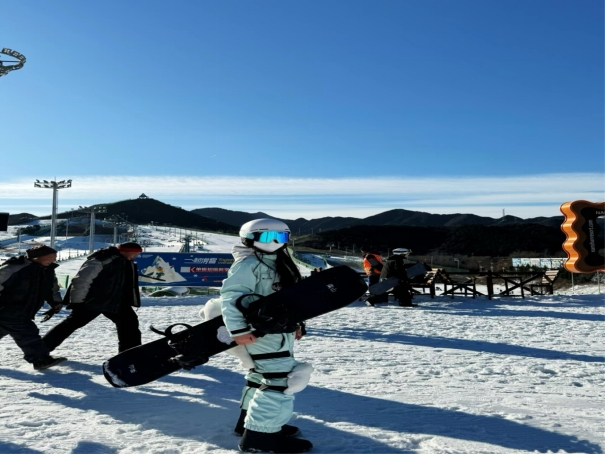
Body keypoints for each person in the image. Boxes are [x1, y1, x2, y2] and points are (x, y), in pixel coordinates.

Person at [221, 218, 313, 453]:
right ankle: (260, 437)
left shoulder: (280, 262)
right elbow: (231, 297)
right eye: (266, 236)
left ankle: (250, 425)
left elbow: (291, 300)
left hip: (279, 330)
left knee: (260, 375)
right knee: (279, 378)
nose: (273, 242)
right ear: (249, 238)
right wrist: (238, 330)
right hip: (259, 331)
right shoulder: (248, 263)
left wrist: (297, 324)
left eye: (280, 237)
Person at [43, 242, 143, 353]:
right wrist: (77, 302)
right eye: (135, 253)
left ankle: (129, 353)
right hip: (92, 301)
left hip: (115, 302)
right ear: (126, 251)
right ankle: (40, 350)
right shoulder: (101, 259)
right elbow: (81, 281)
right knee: (71, 324)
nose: (136, 256)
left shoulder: (125, 261)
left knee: (129, 324)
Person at [0, 245, 67, 370]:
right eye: (50, 257)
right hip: (9, 309)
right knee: (27, 333)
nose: (53, 260)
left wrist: (55, 302)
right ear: (37, 257)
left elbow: (51, 288)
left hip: (24, 310)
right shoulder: (15, 268)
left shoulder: (47, 270)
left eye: (54, 257)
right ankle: (40, 360)